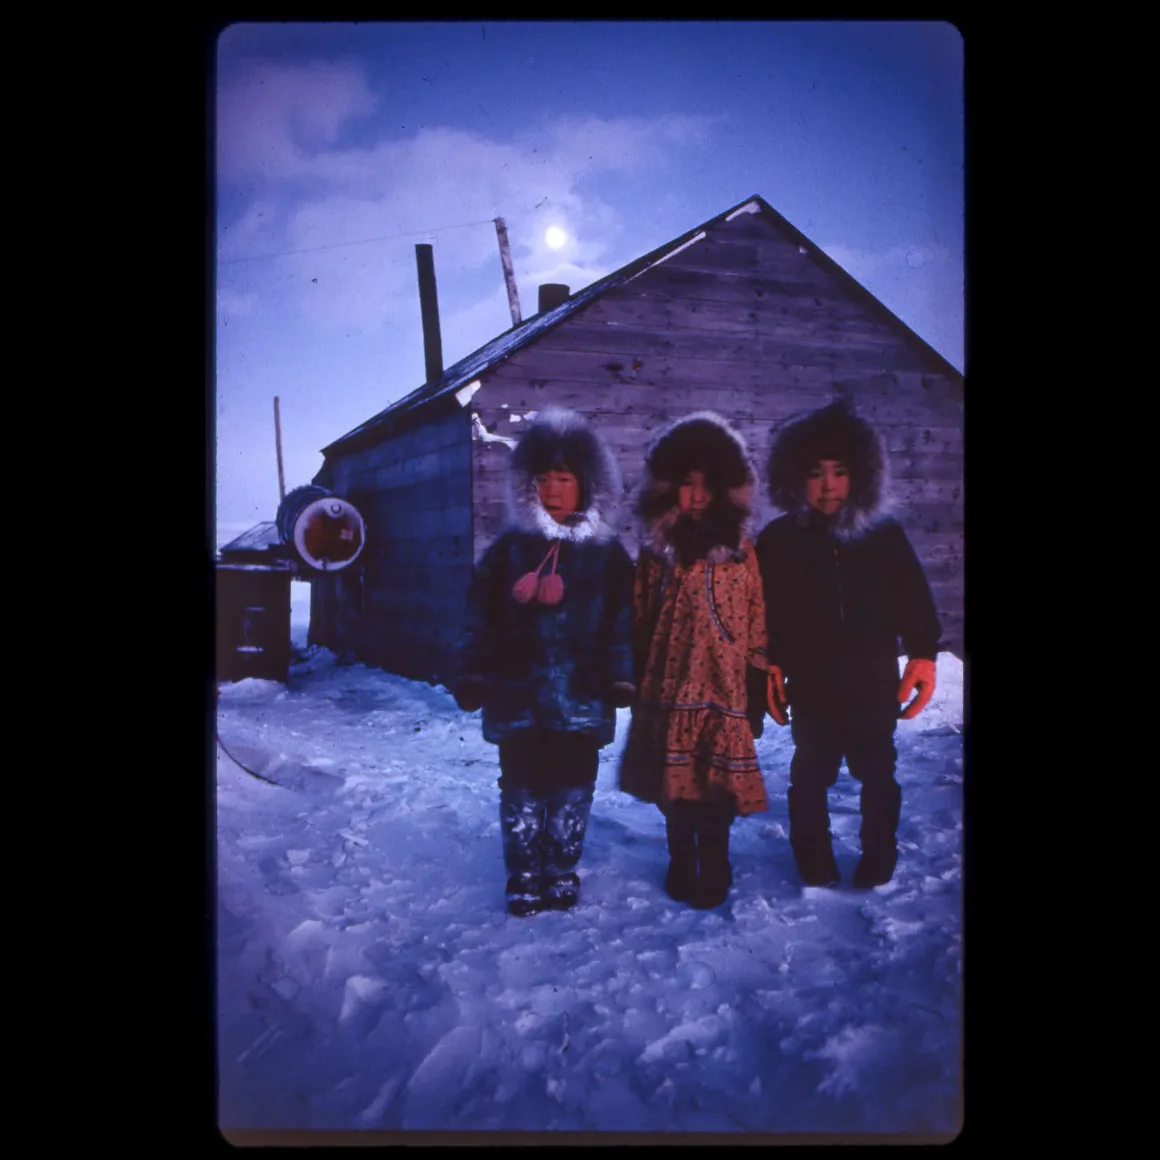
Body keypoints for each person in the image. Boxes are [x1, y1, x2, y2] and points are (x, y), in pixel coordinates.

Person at [452, 408, 636, 916]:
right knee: (521, 782)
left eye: (564, 478)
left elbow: (624, 620)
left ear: (587, 485)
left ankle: (561, 868)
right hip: (518, 696)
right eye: (543, 479)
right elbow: (478, 616)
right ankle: (523, 872)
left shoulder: (608, 556)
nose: (553, 490)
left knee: (574, 781)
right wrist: (473, 670)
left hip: (582, 694)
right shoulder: (508, 552)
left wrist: (622, 675)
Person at [754, 399, 942, 889]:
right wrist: (770, 663)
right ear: (797, 477)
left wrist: (923, 652)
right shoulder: (779, 539)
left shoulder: (883, 534)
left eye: (839, 471)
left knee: (878, 772)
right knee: (810, 773)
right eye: (816, 473)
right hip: (811, 683)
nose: (828, 484)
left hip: (873, 679)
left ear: (859, 474)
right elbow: (762, 610)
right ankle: (811, 855)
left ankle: (880, 851)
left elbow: (914, 598)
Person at [618, 412, 770, 910]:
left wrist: (756, 676)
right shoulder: (656, 552)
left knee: (715, 785)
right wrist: (635, 673)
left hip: (723, 690)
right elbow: (639, 614)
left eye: (708, 486)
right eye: (687, 485)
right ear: (669, 488)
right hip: (669, 687)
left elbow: (754, 614)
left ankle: (717, 860)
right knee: (677, 787)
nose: (697, 496)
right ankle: (681, 857)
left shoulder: (742, 553)